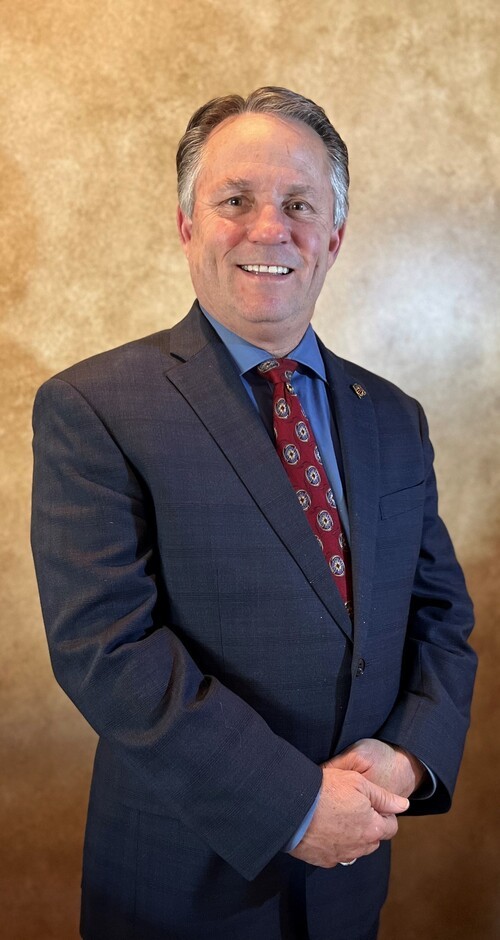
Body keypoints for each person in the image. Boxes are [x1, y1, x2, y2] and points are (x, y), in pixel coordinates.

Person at [31, 87, 477, 940]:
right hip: (181, 886)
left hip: (353, 878)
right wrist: (295, 804)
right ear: (185, 225)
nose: (269, 229)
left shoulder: (394, 416)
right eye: (235, 200)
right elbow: (105, 648)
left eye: (299, 205)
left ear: (334, 237)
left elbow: (440, 619)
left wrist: (408, 758)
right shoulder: (94, 406)